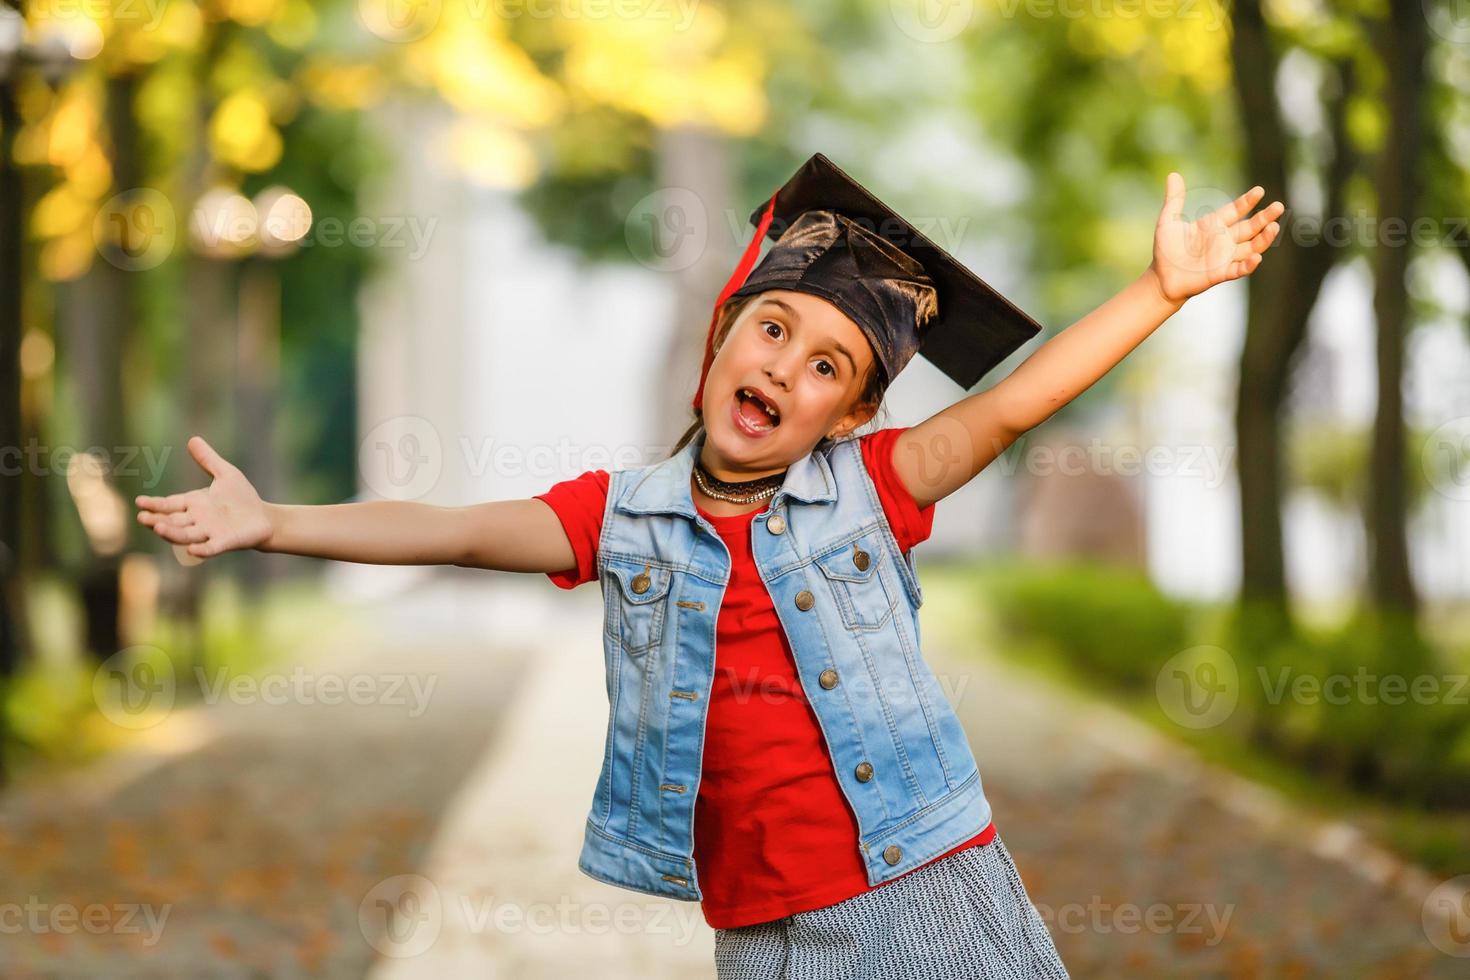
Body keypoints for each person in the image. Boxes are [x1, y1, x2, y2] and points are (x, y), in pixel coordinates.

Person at [136, 153, 1283, 979]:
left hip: (914, 885)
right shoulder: (625, 519)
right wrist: (272, 518)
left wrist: (1162, 292)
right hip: (754, 925)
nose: (788, 369)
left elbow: (1015, 402)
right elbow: (454, 528)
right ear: (719, 337)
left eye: (829, 366)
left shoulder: (874, 491)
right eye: (774, 331)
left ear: (848, 416)